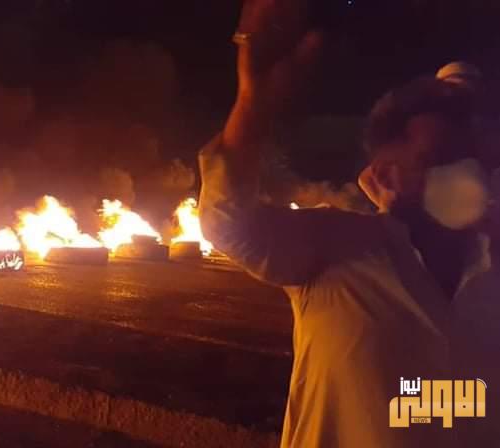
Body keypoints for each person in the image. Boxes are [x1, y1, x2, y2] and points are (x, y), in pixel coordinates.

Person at [199, 1, 492, 446]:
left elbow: (444, 403)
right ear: (386, 174)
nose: (464, 175)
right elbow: (228, 222)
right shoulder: (337, 248)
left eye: (468, 157)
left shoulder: (487, 278)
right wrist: (251, 108)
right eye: (437, 160)